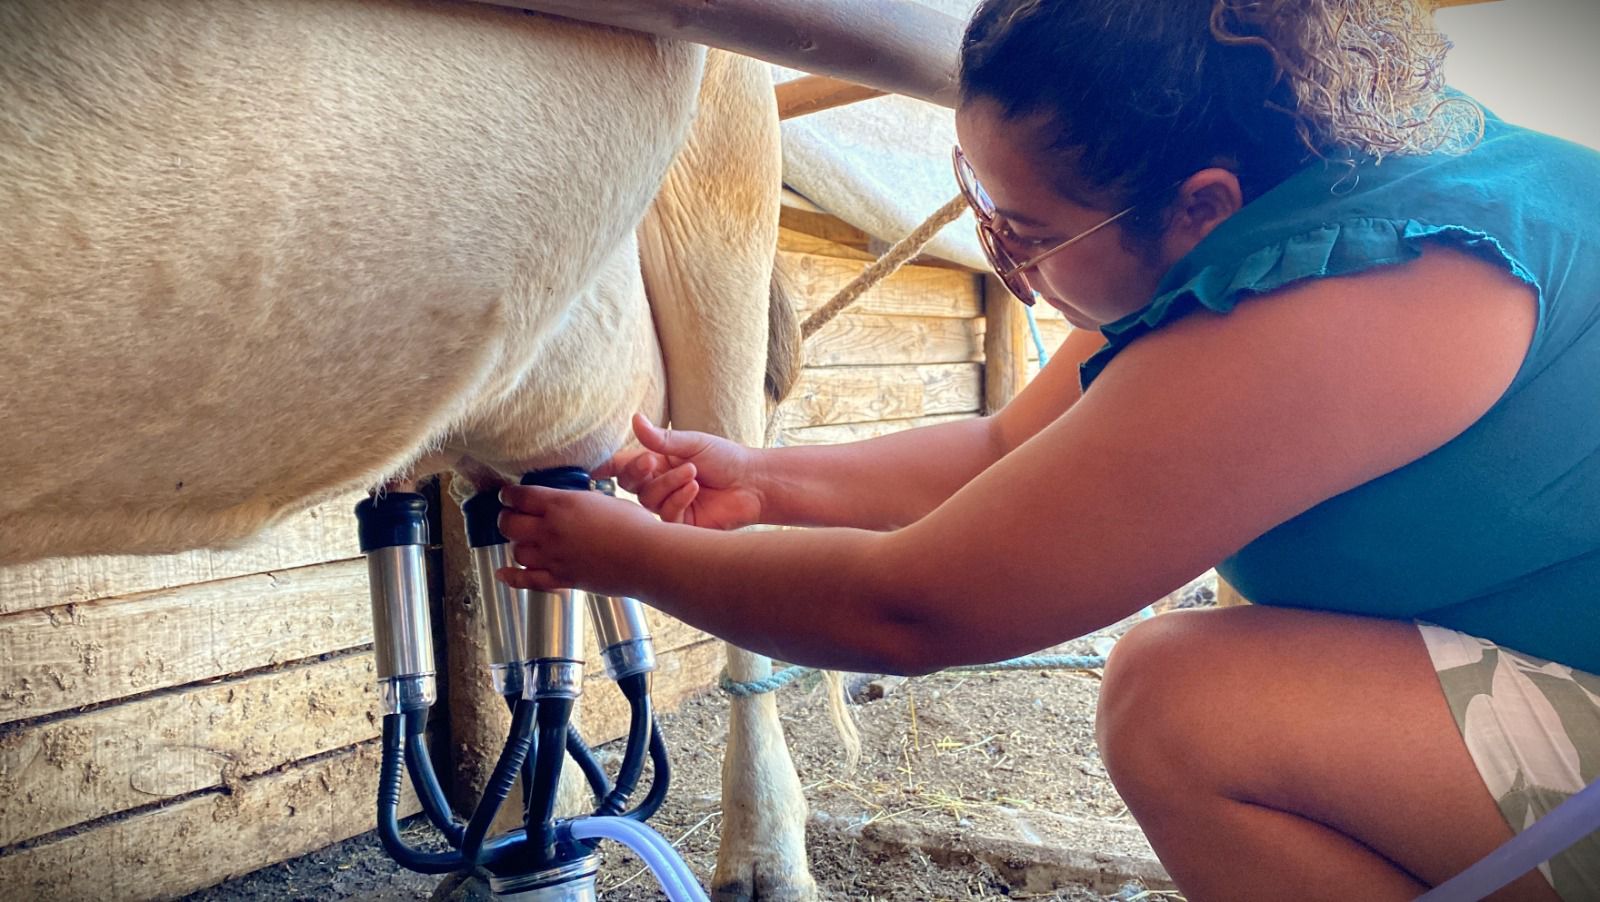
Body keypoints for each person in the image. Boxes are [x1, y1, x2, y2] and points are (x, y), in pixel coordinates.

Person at [494, 0, 1600, 897]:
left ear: (1198, 204)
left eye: (1025, 234)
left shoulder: (1369, 292)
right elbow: (1005, 447)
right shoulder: (1302, 185)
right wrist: (763, 478)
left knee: (1185, 702)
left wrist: (629, 556)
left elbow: (919, 607)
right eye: (983, 211)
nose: (1007, 259)